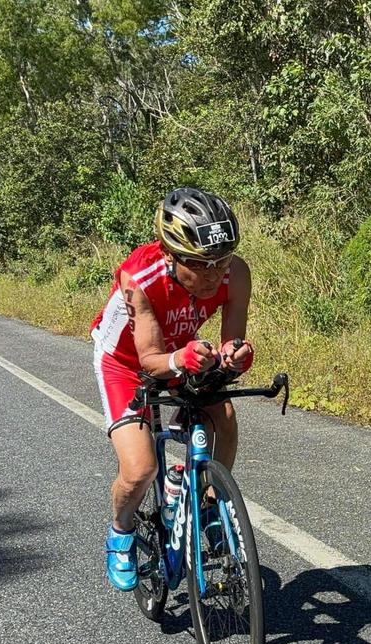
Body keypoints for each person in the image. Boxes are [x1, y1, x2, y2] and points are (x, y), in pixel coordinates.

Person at [91, 188, 254, 591]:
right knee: (139, 469)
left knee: (224, 416)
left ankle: (211, 504)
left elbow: (231, 339)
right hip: (127, 364)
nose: (217, 274)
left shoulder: (236, 273)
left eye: (223, 260)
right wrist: (181, 359)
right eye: (203, 265)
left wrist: (235, 354)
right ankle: (121, 532)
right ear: (171, 256)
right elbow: (150, 359)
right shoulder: (139, 278)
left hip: (183, 351)